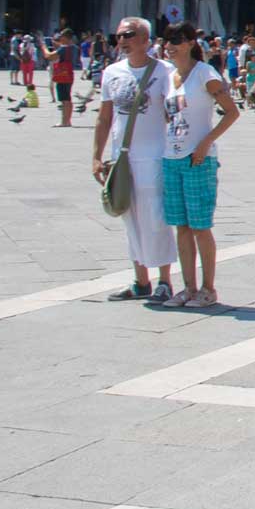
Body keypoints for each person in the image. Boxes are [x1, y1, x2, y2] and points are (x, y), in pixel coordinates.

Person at [92, 17, 179, 304]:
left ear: (146, 39)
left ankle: (165, 281)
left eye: (129, 34)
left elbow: (175, 113)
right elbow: (105, 117)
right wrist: (96, 156)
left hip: (154, 156)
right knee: (128, 217)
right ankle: (141, 281)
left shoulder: (165, 71)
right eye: (118, 35)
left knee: (156, 217)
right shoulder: (111, 72)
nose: (122, 40)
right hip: (122, 157)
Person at [160, 23, 238, 308]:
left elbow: (232, 112)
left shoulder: (205, 74)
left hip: (198, 159)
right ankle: (188, 288)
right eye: (167, 40)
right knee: (180, 226)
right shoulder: (169, 76)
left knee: (200, 226)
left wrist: (206, 143)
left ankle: (208, 289)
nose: (170, 46)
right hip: (171, 157)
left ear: (192, 42)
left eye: (177, 41)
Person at [43, 29, 78, 127]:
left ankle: (64, 122)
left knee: (64, 100)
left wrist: (43, 47)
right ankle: (68, 120)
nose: (60, 38)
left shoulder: (63, 48)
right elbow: (61, 47)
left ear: (66, 37)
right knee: (68, 98)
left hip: (62, 75)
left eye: (61, 36)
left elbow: (49, 56)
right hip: (69, 74)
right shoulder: (73, 47)